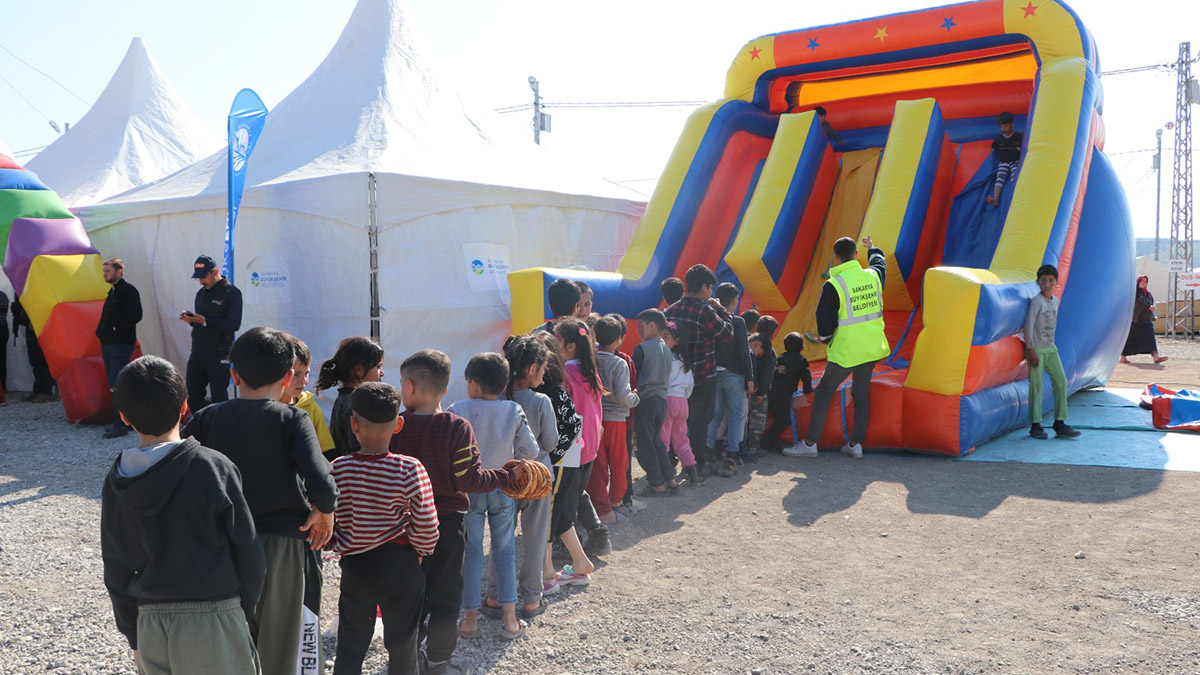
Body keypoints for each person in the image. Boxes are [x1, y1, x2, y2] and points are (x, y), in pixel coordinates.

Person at [183, 327, 338, 675]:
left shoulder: (206, 417)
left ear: (234, 374)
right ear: (287, 377)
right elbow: (322, 484)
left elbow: (183, 472)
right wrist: (324, 511)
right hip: (282, 546)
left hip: (222, 544)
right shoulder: (292, 418)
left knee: (229, 639)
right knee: (283, 643)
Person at [102, 355, 265, 675]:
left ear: (123, 416)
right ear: (184, 406)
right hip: (214, 612)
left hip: (150, 621)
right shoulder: (213, 467)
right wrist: (242, 608)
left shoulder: (117, 480)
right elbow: (248, 549)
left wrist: (134, 634)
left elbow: (116, 565)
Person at [390, 349, 511, 675]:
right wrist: (506, 476)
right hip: (447, 526)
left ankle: (405, 663)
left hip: (403, 529)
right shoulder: (458, 428)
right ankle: (439, 663)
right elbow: (469, 479)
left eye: (401, 383)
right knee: (445, 598)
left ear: (410, 387)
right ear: (446, 389)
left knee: (405, 597)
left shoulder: (395, 428)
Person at [329, 382, 438, 675]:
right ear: (398, 424)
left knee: (350, 646)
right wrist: (420, 551)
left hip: (357, 567)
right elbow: (427, 523)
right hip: (401, 566)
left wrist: (339, 542)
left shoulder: (339, 468)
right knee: (403, 648)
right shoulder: (410, 468)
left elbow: (330, 518)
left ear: (354, 424)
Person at [448, 353, 539, 641]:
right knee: (505, 551)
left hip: (470, 489)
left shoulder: (457, 408)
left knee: (472, 552)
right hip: (503, 486)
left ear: (473, 383)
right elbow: (531, 451)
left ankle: (470, 620)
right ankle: (510, 620)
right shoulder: (513, 409)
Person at [787, 237, 889, 459]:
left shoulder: (835, 284)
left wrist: (825, 338)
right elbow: (880, 264)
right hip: (870, 347)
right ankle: (855, 444)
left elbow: (824, 320)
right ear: (856, 254)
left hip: (846, 351)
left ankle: (810, 443)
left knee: (824, 391)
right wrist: (873, 248)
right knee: (861, 393)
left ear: (835, 257)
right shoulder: (872, 276)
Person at [496, 335, 557, 620]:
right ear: (532, 368)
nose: (544, 374)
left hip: (503, 479)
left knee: (500, 539)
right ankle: (532, 599)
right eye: (543, 368)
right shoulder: (541, 401)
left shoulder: (496, 399)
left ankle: (495, 597)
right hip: (538, 479)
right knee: (535, 538)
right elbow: (552, 441)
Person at [529, 331, 595, 583]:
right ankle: (580, 561)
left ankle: (546, 571)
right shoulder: (548, 390)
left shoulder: (554, 392)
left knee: (548, 512)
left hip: (560, 461)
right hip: (564, 458)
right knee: (559, 513)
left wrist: (550, 455)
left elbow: (570, 427)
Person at [664, 264, 733, 476]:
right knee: (699, 422)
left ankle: (670, 461)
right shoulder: (705, 310)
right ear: (704, 287)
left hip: (676, 377)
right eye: (710, 288)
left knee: (674, 423)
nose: (711, 292)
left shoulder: (671, 310)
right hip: (703, 375)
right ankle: (696, 463)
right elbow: (727, 332)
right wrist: (720, 308)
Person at [553, 318, 610, 568]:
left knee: (566, 495)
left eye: (557, 342)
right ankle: (598, 533)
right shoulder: (590, 372)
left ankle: (569, 543)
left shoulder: (566, 376)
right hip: (590, 442)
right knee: (576, 492)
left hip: (572, 444)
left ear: (570, 346)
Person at [1024, 265, 1082, 440]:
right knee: (1036, 386)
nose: (1047, 284)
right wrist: (1031, 349)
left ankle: (1060, 422)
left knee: (1061, 382)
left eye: (1050, 280)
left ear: (1056, 282)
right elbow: (1028, 326)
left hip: (1051, 348)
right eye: (1044, 280)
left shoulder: (1055, 301)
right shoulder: (1037, 301)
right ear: (1038, 282)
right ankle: (1036, 425)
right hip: (1037, 350)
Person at [591, 315, 639, 522]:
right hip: (617, 420)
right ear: (619, 339)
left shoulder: (590, 358)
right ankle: (617, 500)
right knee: (619, 462)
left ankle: (598, 501)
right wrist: (635, 398)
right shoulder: (620, 363)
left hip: (596, 418)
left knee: (599, 462)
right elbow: (623, 396)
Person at [181, 255, 243, 414]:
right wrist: (192, 320)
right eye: (198, 278)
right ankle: (199, 427)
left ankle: (221, 432)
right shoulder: (200, 294)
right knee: (193, 393)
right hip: (198, 352)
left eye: (203, 277)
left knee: (219, 397)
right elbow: (202, 321)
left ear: (214, 272)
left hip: (219, 353)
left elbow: (234, 324)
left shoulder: (232, 293)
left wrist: (206, 321)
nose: (201, 281)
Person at [707, 283, 753, 477]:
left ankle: (709, 452)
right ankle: (733, 453)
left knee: (714, 416)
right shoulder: (738, 322)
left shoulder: (710, 320)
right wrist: (750, 378)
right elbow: (744, 351)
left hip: (713, 373)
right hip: (734, 374)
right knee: (735, 415)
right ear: (734, 300)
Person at [631, 309, 677, 494]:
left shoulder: (642, 348)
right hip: (662, 401)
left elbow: (632, 374)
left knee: (644, 444)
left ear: (652, 325)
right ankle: (670, 479)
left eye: (641, 326)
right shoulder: (667, 349)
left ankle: (656, 483)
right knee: (657, 441)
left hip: (646, 400)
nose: (638, 331)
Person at [316, 337, 385, 460]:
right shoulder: (355, 404)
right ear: (358, 369)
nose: (382, 373)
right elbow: (360, 450)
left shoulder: (346, 399)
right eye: (378, 367)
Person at [97, 258, 143, 438]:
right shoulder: (113, 292)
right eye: (104, 271)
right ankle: (127, 420)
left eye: (108, 271)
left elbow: (137, 315)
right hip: (109, 344)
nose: (105, 274)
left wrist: (117, 328)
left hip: (120, 343)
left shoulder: (128, 291)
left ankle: (120, 424)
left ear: (119, 272)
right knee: (114, 382)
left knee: (116, 384)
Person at [278, 335, 336, 457]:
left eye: (307, 373)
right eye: (296, 374)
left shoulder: (311, 407)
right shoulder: (266, 407)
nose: (303, 381)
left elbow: (326, 451)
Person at [660, 323, 700, 484]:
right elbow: (690, 384)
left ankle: (665, 474)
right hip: (682, 402)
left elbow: (661, 380)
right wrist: (683, 397)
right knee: (681, 439)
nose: (662, 340)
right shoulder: (684, 361)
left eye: (665, 337)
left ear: (676, 341)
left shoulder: (665, 358)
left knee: (663, 440)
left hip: (667, 400)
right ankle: (693, 472)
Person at [764, 333, 812, 452]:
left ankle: (764, 439)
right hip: (783, 395)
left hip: (770, 391)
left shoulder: (778, 358)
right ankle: (766, 441)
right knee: (784, 420)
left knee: (770, 416)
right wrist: (808, 391)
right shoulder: (801, 361)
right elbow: (806, 379)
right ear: (802, 347)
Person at [11, 299, 55, 402]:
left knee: (42, 359)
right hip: (30, 324)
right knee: (34, 360)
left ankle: (47, 391)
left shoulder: (38, 286)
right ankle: (38, 389)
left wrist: (36, 318)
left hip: (40, 324)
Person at [1121, 275, 1168, 365]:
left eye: (1145, 281)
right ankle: (1123, 356)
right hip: (1135, 320)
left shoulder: (1147, 294)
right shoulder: (1134, 293)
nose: (1143, 283)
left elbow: (1150, 302)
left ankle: (1155, 356)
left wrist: (1151, 308)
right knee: (1131, 338)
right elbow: (1136, 304)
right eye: (1142, 281)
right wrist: (1148, 307)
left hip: (1146, 320)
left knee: (1150, 337)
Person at [745, 332, 776, 461]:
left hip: (745, 389)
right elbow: (768, 374)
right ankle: (752, 449)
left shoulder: (740, 344)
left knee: (742, 419)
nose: (759, 355)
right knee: (756, 421)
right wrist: (762, 392)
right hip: (754, 392)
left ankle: (737, 448)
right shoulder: (770, 353)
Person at [986, 111, 1022, 207]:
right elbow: (993, 149)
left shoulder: (1019, 136)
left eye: (1005, 126)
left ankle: (1015, 197)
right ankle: (996, 199)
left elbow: (1025, 147)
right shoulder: (998, 139)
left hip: (1015, 161)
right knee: (1000, 177)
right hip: (1003, 162)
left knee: (1015, 176)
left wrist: (1021, 149)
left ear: (1012, 124)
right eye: (1001, 126)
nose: (1003, 129)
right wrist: (989, 161)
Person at [0, 289, 8, 401]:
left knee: (1, 360)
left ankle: (2, 389)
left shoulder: (1, 296)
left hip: (1, 330)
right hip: (2, 330)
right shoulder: (3, 295)